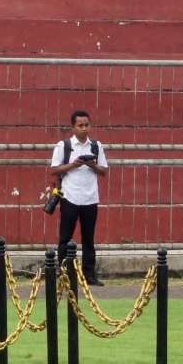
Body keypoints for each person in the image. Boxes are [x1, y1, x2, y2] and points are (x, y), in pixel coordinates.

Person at [50, 109, 109, 286]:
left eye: (86, 125)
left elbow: (104, 171)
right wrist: (72, 165)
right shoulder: (64, 146)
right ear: (73, 127)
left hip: (90, 197)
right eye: (80, 125)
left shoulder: (96, 146)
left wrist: (92, 165)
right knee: (65, 238)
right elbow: (53, 169)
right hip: (70, 196)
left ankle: (89, 274)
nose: (84, 128)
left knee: (88, 238)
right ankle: (63, 273)